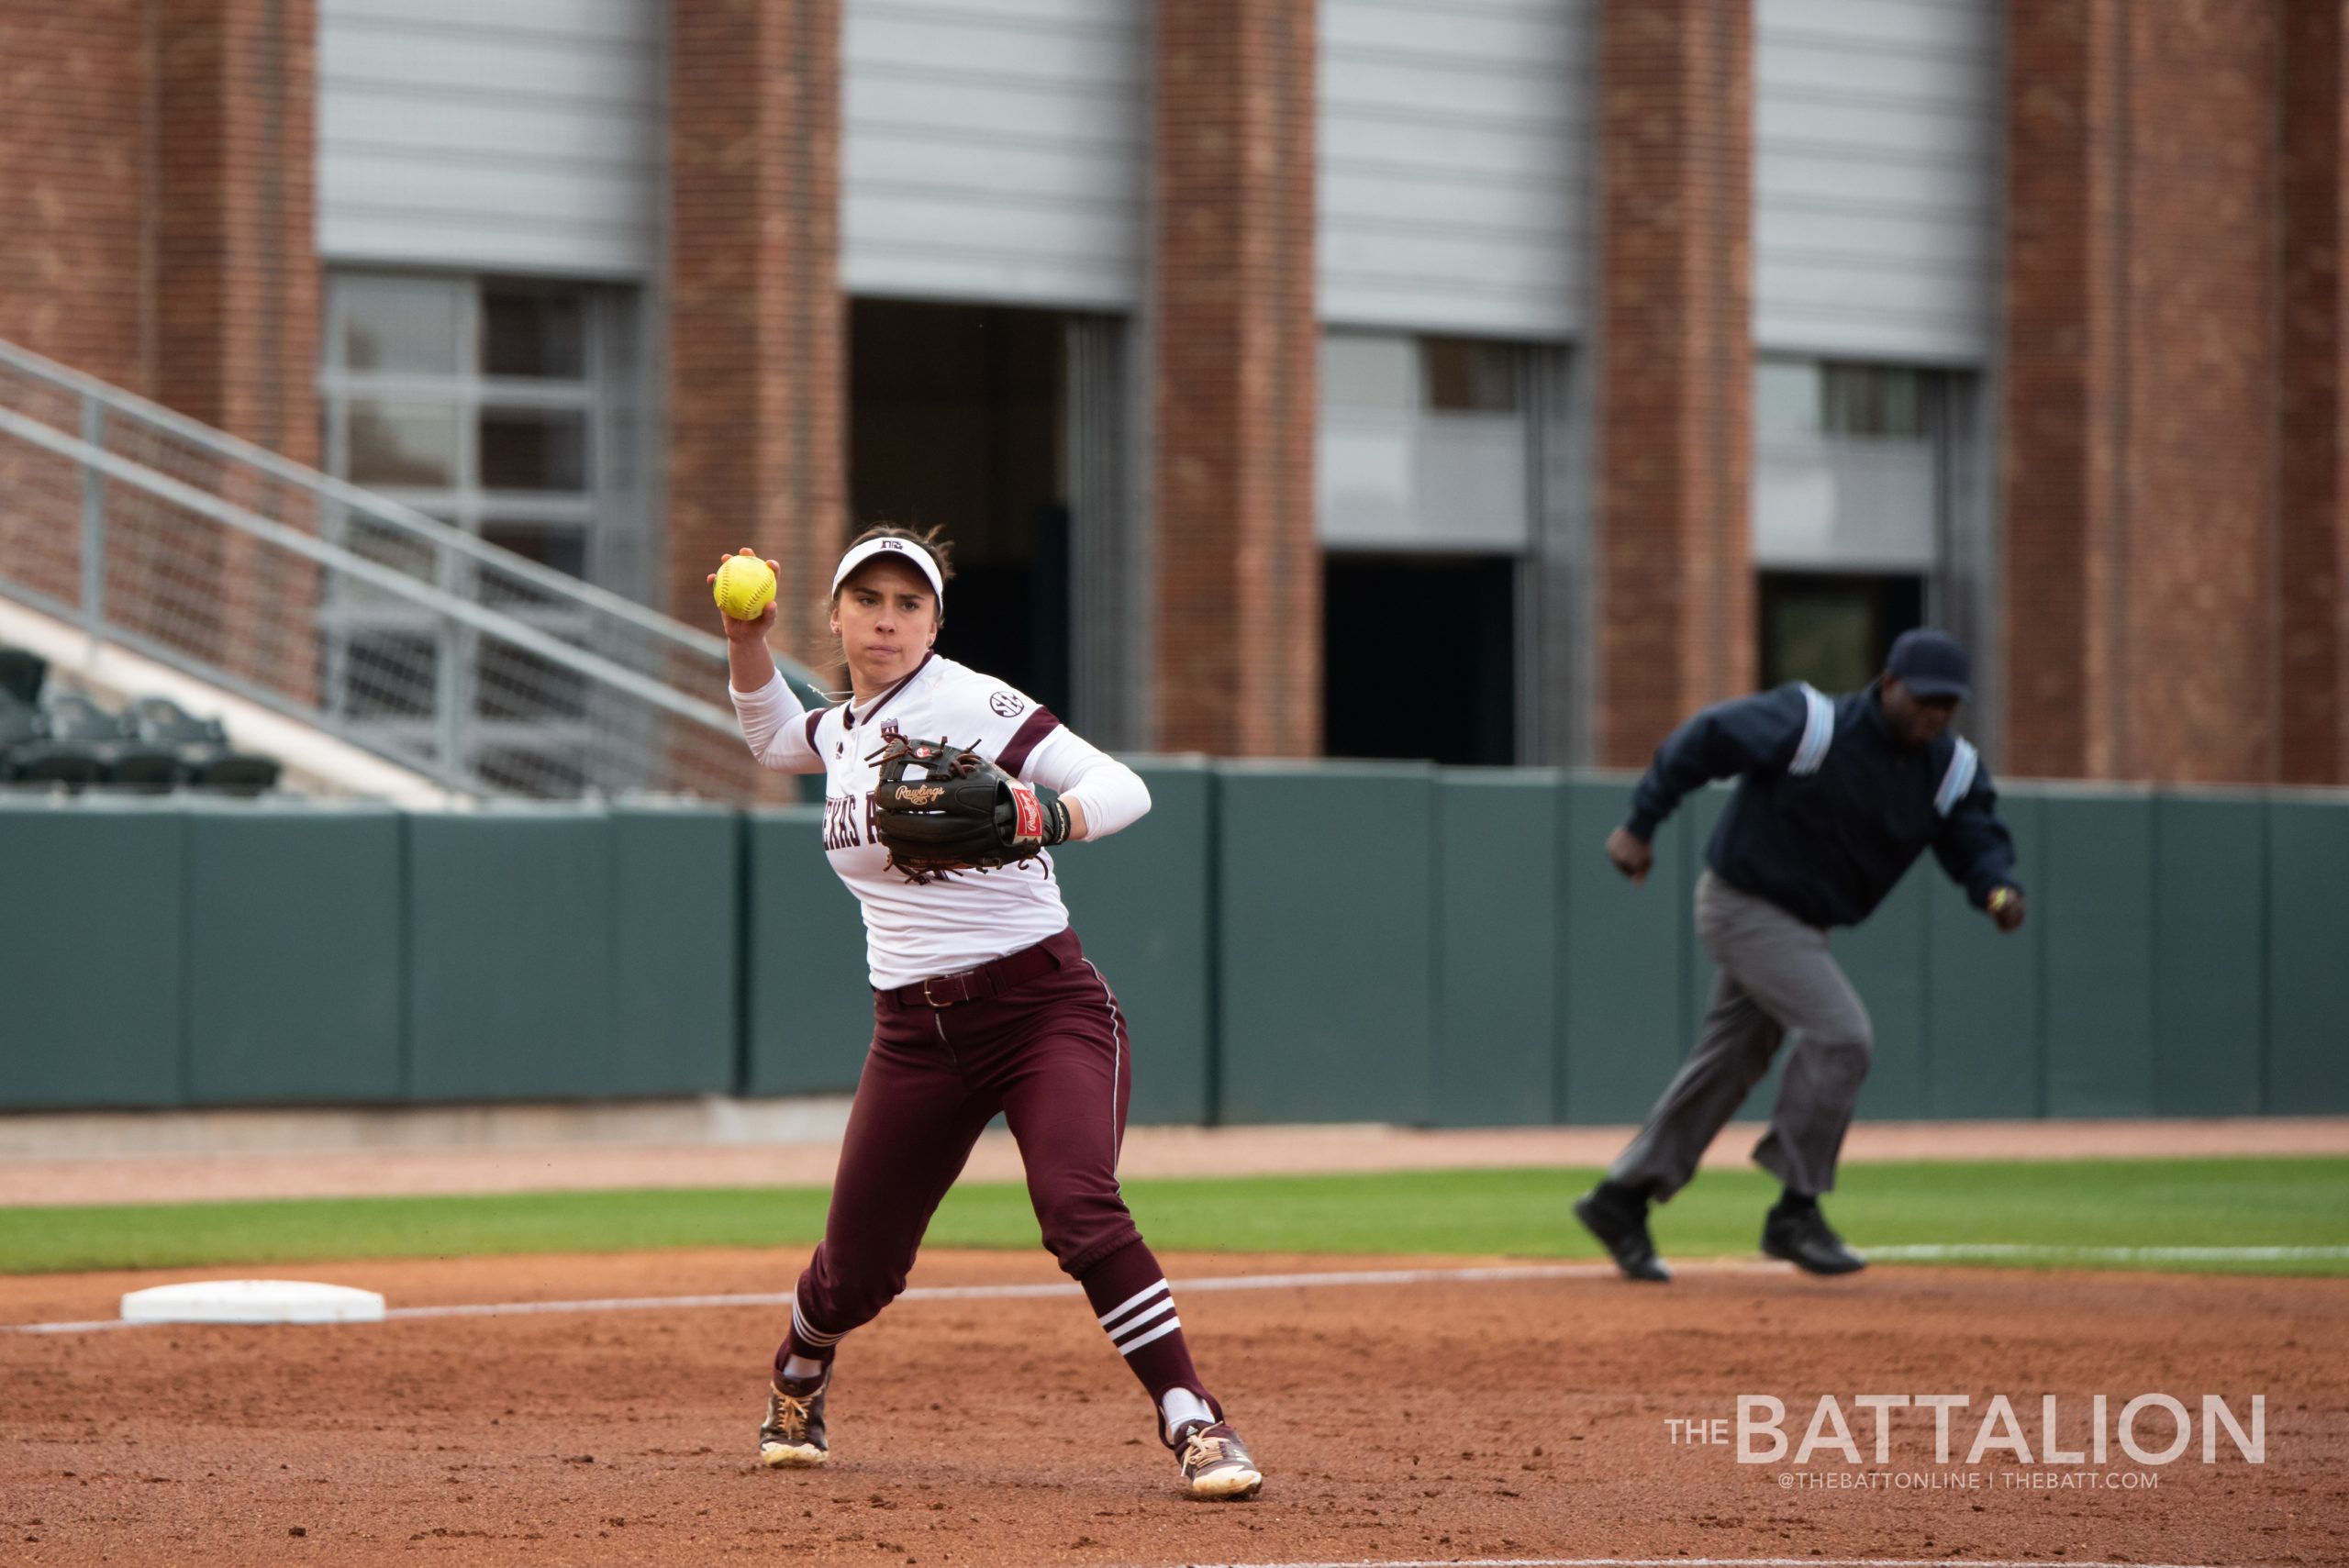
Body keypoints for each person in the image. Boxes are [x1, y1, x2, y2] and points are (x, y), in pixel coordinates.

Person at [714, 525, 1264, 1500]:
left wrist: (1043, 814)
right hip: (913, 1034)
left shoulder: (967, 700)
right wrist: (742, 634)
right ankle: (800, 1367)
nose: (887, 621)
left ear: (933, 620)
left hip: (1040, 1006)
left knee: (1079, 1208)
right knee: (857, 1274)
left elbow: (1120, 786)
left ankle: (1193, 1416)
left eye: (908, 604)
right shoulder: (840, 728)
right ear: (835, 614)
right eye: (868, 601)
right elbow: (768, 738)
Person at [1573, 628, 2025, 1282]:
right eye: (1925, 700)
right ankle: (1796, 1208)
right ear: (1889, 684)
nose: (1935, 715)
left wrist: (1997, 888)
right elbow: (1703, 737)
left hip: (1805, 926)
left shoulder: (1950, 769)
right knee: (1842, 1034)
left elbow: (1977, 838)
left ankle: (1621, 1197)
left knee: (1730, 1059)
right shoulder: (1812, 724)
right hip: (1742, 903)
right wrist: (1642, 822)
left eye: (1948, 706)